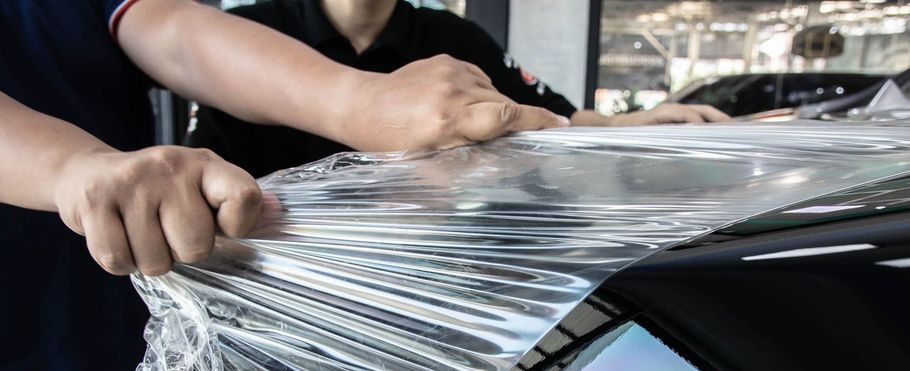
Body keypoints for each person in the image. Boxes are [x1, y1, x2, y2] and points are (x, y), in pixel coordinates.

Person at [0, 1, 567, 371]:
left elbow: (173, 34)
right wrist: (77, 168)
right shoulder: (271, 18)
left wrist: (361, 104)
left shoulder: (447, 38)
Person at [186, 0, 729, 177]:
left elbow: (547, 116)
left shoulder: (451, 39)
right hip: (275, 288)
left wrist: (627, 125)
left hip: (417, 282)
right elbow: (207, 164)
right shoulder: (250, 36)